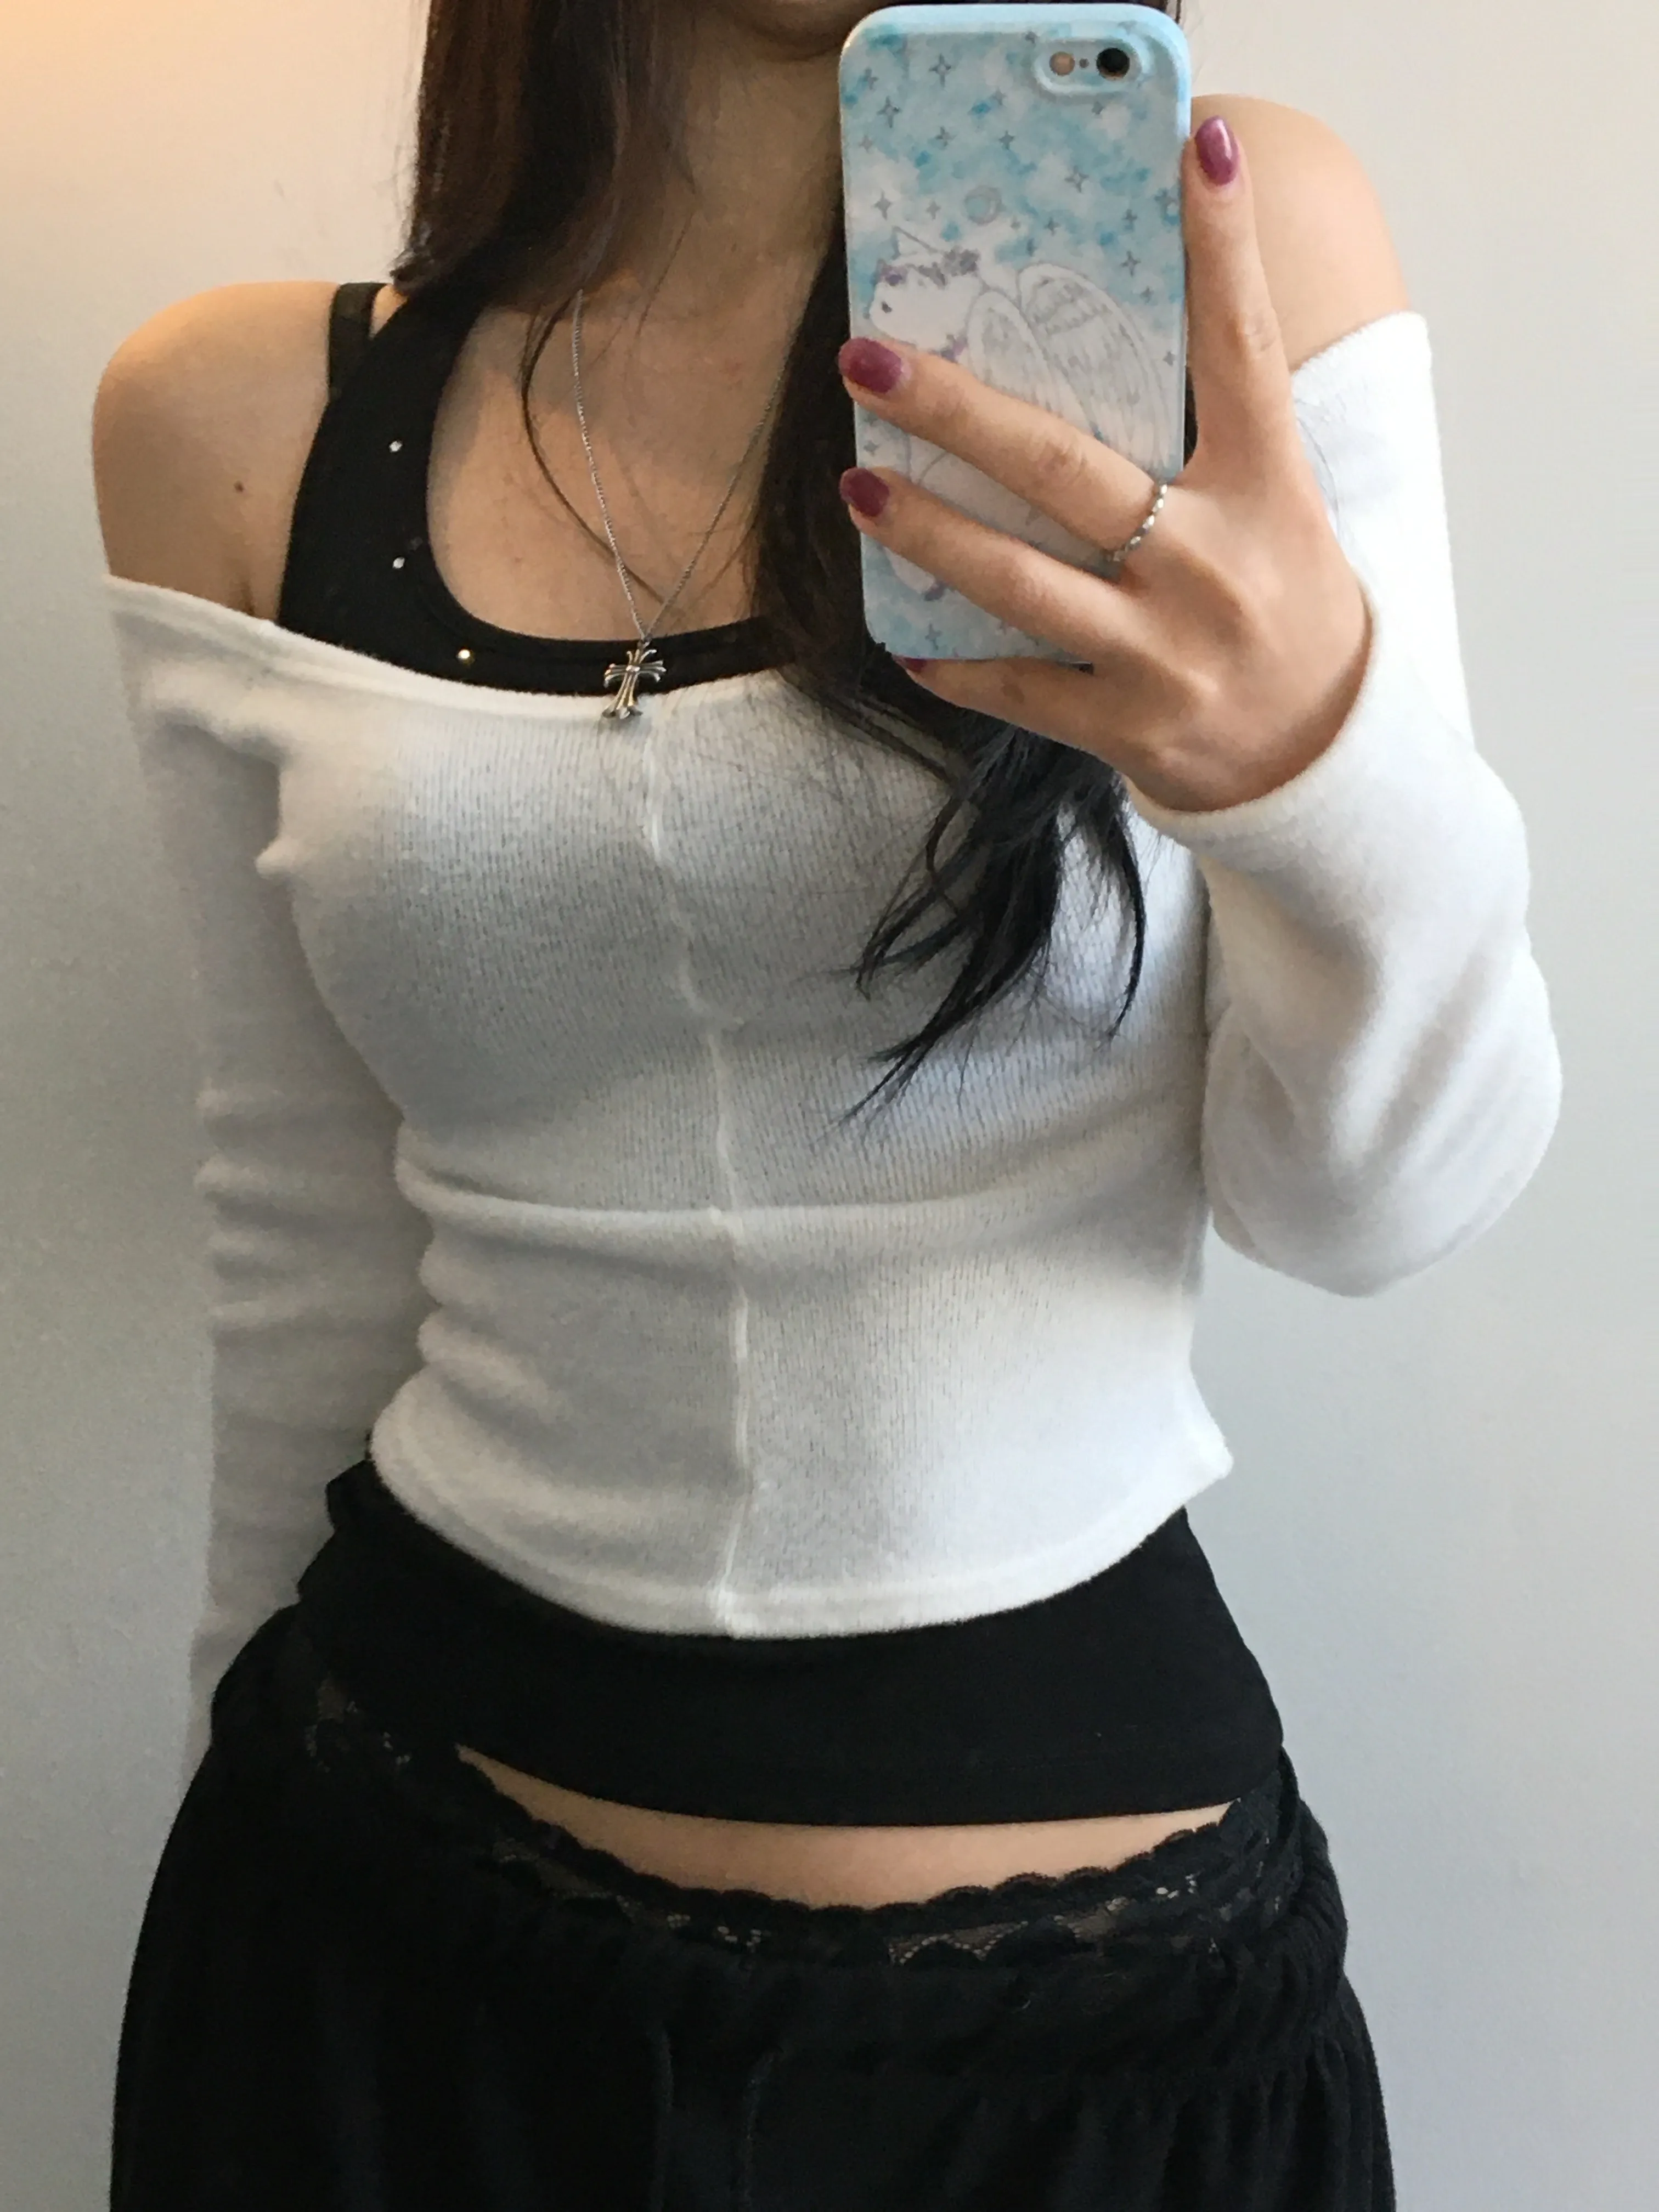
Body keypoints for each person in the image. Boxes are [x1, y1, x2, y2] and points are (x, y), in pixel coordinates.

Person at [93, 3, 1560, 2206]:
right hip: (386, 1948)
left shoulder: (1225, 245)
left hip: (1083, 2057)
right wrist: (224, 1847)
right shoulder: (240, 420)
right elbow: (301, 1226)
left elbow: (1366, 1204)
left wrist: (1313, 772)